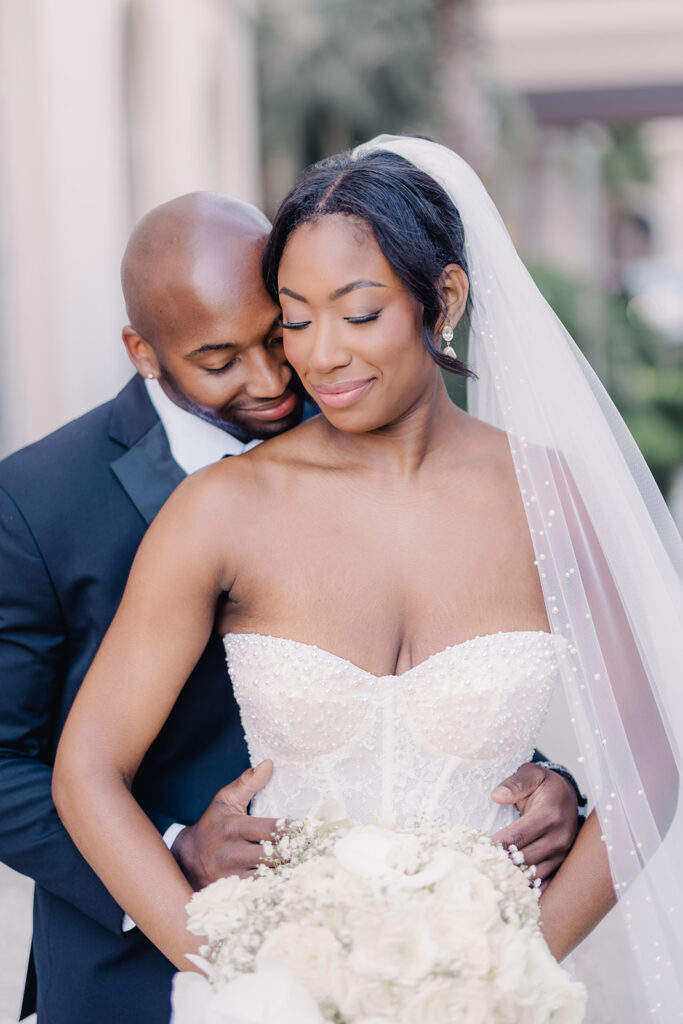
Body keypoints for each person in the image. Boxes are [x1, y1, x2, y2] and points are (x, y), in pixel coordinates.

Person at [52, 137, 683, 1015]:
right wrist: (236, 974)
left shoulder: (550, 499)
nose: (319, 356)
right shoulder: (222, 509)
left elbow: (650, 761)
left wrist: (504, 977)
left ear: (445, 298)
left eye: (358, 313)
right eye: (295, 318)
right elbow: (85, 770)